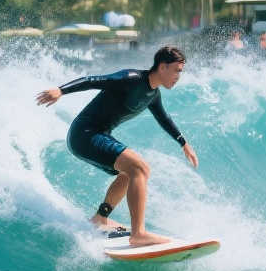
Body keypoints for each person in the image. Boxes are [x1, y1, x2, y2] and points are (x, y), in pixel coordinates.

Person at [35, 46, 198, 246]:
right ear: (162, 67)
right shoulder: (131, 78)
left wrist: (184, 144)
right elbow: (93, 80)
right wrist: (61, 90)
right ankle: (138, 234)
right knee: (140, 168)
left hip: (99, 135)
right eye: (177, 70)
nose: (178, 76)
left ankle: (100, 218)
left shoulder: (153, 94)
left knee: (128, 173)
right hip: (84, 134)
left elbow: (164, 119)